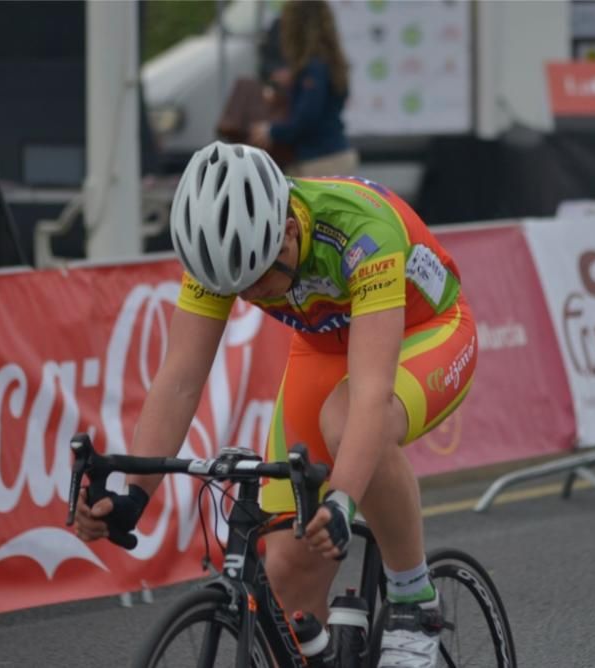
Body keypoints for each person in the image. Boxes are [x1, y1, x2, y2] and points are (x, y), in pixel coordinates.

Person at [73, 141, 475, 668]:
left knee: (344, 419)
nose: (252, 294)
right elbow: (179, 380)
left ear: (287, 230)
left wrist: (342, 499)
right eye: (237, 287)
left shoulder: (358, 231)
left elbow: (372, 393)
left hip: (427, 330)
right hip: (324, 346)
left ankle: (413, 599)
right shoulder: (224, 257)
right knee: (287, 573)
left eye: (260, 277)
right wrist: (135, 494)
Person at [250, 0, 358, 178]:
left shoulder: (314, 68)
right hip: (333, 155)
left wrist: (271, 131)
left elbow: (306, 120)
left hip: (319, 161)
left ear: (297, 27)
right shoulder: (328, 62)